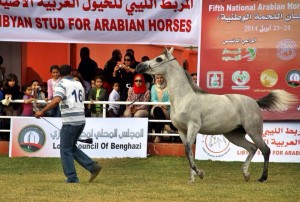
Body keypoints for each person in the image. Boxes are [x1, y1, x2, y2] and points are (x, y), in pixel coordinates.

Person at [35, 64, 101, 183]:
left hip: (70, 121)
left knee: (65, 149)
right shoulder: (78, 84)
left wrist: (42, 111)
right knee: (71, 147)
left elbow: (57, 100)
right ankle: (92, 166)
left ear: (59, 74)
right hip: (81, 120)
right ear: (71, 73)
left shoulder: (61, 84)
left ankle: (72, 178)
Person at [150, 74, 174, 143]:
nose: (159, 79)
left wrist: (164, 105)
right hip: (155, 108)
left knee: (159, 115)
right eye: (158, 78)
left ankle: (158, 136)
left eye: (161, 78)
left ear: (164, 78)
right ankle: (165, 125)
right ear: (155, 79)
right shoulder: (153, 87)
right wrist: (159, 105)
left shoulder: (169, 87)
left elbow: (170, 99)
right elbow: (153, 99)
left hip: (167, 109)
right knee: (158, 110)